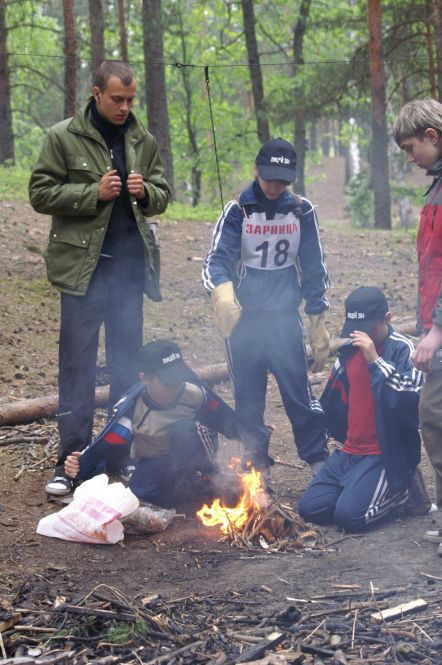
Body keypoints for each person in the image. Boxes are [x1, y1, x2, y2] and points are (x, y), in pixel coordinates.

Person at [29, 61, 171, 496]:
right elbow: (40, 192)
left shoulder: (143, 140)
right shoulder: (63, 137)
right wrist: (93, 192)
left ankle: (117, 454)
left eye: (130, 99)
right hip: (83, 272)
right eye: (117, 99)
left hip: (129, 272)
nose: (125, 107)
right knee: (78, 368)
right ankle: (69, 461)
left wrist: (145, 192)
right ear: (96, 93)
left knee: (128, 365)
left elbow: (163, 194)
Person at [202, 138, 330, 477]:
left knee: (298, 393)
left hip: (284, 319)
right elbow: (217, 260)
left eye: (282, 181)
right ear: (256, 169)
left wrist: (317, 314)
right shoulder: (237, 211)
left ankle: (318, 459)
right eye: (270, 178)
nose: (274, 187)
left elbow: (313, 264)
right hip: (243, 322)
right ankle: (256, 467)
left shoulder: (301, 210)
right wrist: (222, 291)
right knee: (248, 397)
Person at [298, 286, 424, 532]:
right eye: (356, 328)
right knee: (310, 508)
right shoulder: (349, 349)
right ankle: (358, 491)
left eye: (369, 328)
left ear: (387, 319)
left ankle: (404, 492)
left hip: (385, 454)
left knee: (350, 518)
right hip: (350, 452)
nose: (362, 335)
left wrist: (374, 359)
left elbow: (410, 396)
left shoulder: (402, 348)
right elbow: (332, 398)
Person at [64, 339, 241, 508]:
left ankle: (208, 478)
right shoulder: (132, 409)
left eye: (179, 378)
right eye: (168, 382)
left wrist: (249, 438)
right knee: (140, 491)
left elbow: (224, 418)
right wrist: (81, 464)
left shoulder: (195, 393)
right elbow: (108, 443)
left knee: (184, 429)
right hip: (158, 459)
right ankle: (191, 490)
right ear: (145, 378)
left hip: (195, 456)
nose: (176, 386)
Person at [392, 99, 442, 515]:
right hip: (434, 322)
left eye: (411, 148)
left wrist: (437, 330)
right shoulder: (437, 185)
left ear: (432, 135)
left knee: (434, 414)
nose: (410, 157)